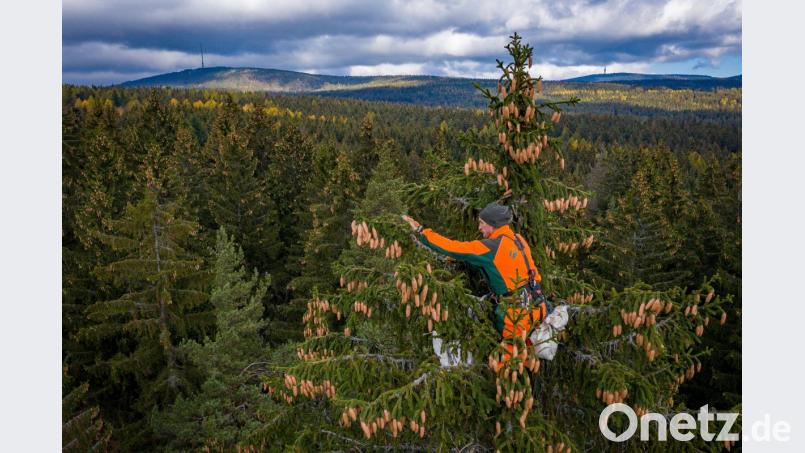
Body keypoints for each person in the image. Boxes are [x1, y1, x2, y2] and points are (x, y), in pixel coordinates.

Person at [402, 202, 547, 349]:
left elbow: (453, 247)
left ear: (493, 225)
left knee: (508, 362)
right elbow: (503, 264)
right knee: (526, 355)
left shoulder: (491, 246)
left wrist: (421, 232)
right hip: (538, 305)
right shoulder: (517, 239)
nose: (479, 227)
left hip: (515, 316)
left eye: (482, 223)